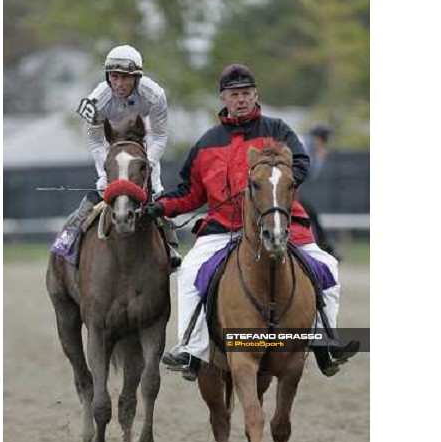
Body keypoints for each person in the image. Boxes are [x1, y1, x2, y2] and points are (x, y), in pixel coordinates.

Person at [144, 63, 347, 379]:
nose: (241, 99)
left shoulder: (278, 130)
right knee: (189, 273)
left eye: (246, 93)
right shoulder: (207, 142)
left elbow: (300, 166)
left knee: (328, 268)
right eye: (234, 94)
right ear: (223, 98)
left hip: (280, 223)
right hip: (222, 228)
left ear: (256, 95)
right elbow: (190, 191)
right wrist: (162, 207)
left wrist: (272, 185)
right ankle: (190, 349)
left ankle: (325, 343)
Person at [51, 44, 181, 268]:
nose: (119, 84)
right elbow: (94, 139)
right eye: (114, 77)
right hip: (110, 152)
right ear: (107, 76)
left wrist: (145, 165)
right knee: (101, 189)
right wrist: (105, 171)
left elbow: (159, 136)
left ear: (137, 77)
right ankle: (70, 237)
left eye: (125, 78)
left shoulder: (155, 95)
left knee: (156, 196)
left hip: (143, 150)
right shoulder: (95, 100)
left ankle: (170, 246)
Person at [299, 124, 340, 258]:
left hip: (291, 192)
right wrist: (320, 157)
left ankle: (324, 247)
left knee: (312, 215)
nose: (325, 143)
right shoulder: (306, 146)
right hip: (288, 193)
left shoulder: (304, 143)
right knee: (312, 216)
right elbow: (310, 173)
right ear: (318, 138)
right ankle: (322, 248)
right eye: (324, 139)